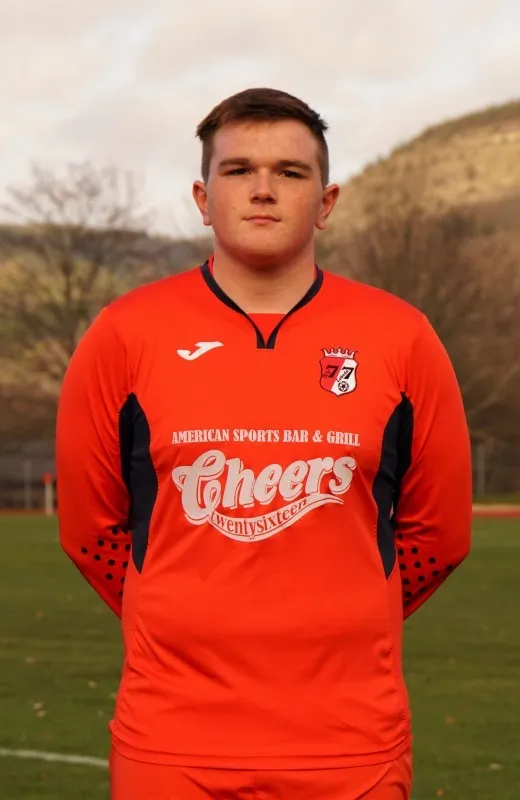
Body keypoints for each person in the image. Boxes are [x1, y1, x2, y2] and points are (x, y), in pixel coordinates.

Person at [55, 87, 472, 800]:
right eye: (238, 169)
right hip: (172, 741)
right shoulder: (124, 334)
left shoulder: (401, 337)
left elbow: (439, 534)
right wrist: (181, 617)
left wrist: (341, 617)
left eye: (289, 171)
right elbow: (91, 529)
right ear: (202, 197)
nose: (262, 189)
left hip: (350, 742)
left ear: (326, 202)